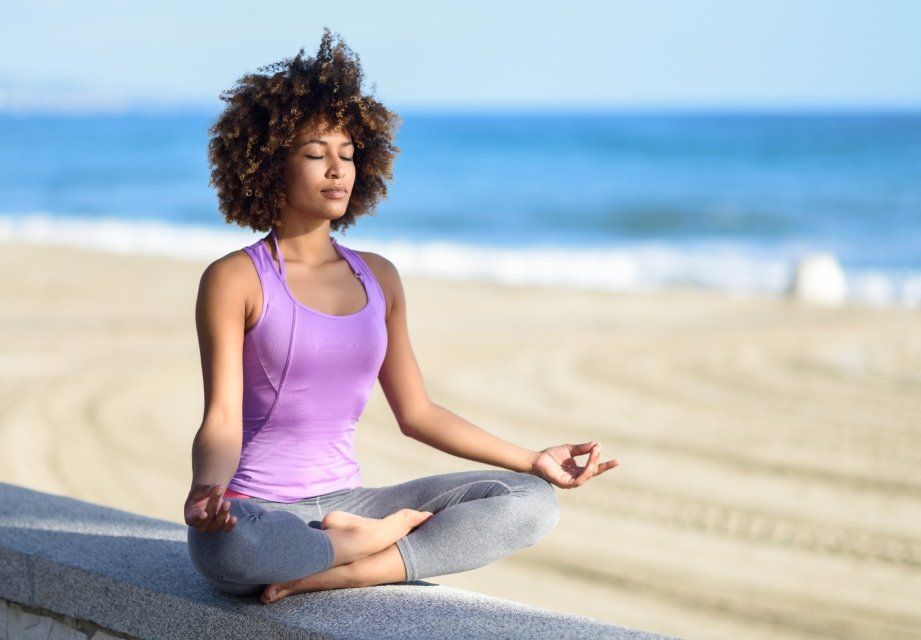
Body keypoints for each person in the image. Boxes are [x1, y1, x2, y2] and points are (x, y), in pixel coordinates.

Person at [184, 28, 621, 605]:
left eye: (347, 155)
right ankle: (364, 546)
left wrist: (533, 459)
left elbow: (417, 413)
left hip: (350, 503)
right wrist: (206, 492)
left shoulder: (379, 277)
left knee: (532, 503)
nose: (337, 170)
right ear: (270, 166)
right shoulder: (236, 277)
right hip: (262, 512)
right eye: (316, 155)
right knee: (226, 554)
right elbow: (222, 417)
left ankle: (348, 565)